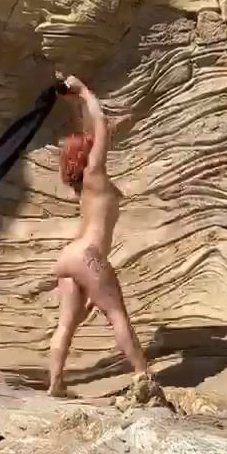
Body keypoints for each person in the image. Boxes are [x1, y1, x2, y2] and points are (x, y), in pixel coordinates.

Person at [48, 73, 148, 397]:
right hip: (88, 256)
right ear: (88, 156)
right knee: (117, 315)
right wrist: (84, 92)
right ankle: (144, 376)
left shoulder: (84, 186)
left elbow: (89, 133)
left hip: (70, 256)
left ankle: (56, 384)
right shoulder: (95, 174)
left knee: (66, 325)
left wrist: (75, 104)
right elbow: (101, 127)